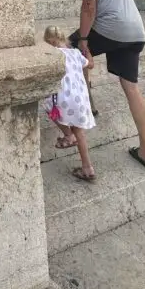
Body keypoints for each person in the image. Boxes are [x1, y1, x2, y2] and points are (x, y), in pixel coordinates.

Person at [64, 0, 145, 174]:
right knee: (131, 88)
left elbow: (89, 5)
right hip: (135, 31)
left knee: (71, 48)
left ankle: (86, 103)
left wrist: (83, 39)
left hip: (110, 28)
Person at [43, 25, 96, 181]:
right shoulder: (75, 53)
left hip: (63, 99)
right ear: (63, 39)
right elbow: (90, 65)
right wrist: (87, 53)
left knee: (48, 108)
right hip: (80, 99)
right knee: (79, 131)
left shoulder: (52, 56)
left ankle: (68, 135)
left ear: (49, 43)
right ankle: (87, 167)